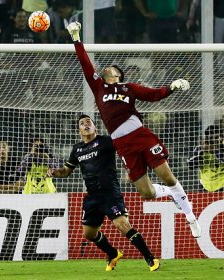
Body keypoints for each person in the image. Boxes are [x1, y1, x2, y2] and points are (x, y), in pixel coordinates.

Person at [66, 21, 201, 238]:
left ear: (118, 74)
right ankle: (170, 194)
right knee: (146, 192)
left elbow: (154, 95)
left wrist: (172, 87)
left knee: (167, 176)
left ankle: (190, 216)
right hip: (122, 143)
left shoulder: (129, 88)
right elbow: (85, 64)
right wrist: (76, 37)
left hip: (140, 135)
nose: (107, 68)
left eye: (111, 68)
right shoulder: (99, 87)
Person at [47, 114, 159, 271]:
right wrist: (56, 172)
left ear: (95, 127)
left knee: (122, 225)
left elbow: (126, 150)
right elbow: (66, 171)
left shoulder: (106, 141)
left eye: (88, 122)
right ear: (79, 129)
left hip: (110, 193)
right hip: (92, 197)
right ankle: (113, 254)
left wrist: (132, 168)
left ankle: (150, 259)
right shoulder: (77, 149)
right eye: (82, 123)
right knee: (89, 234)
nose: (85, 125)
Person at [187, 125, 224, 192]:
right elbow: (191, 165)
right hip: (206, 186)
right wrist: (201, 154)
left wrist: (215, 150)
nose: (218, 139)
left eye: (219, 136)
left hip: (222, 184)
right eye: (214, 137)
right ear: (208, 138)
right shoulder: (200, 148)